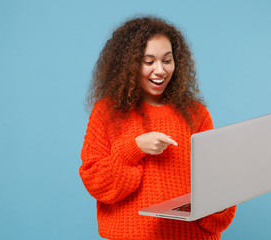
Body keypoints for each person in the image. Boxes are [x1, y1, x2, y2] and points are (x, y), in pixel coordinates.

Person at [80, 16, 236, 240]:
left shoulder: (196, 114)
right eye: (148, 61)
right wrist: (133, 149)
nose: (160, 70)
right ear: (129, 64)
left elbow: (214, 184)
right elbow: (95, 181)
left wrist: (224, 196)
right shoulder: (108, 111)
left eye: (167, 60)